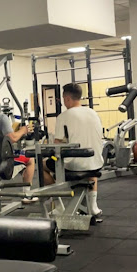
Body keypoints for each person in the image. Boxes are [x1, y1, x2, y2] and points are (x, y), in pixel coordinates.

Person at [42, 82, 103, 217]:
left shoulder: (63, 116)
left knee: (43, 165)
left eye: (64, 99)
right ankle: (93, 207)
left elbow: (57, 145)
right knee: (90, 164)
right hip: (96, 163)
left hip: (74, 165)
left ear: (67, 98)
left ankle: (59, 206)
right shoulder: (93, 113)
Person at [0, 91, 35, 186]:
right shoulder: (1, 118)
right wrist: (23, 130)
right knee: (30, 159)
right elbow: (12, 138)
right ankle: (27, 193)